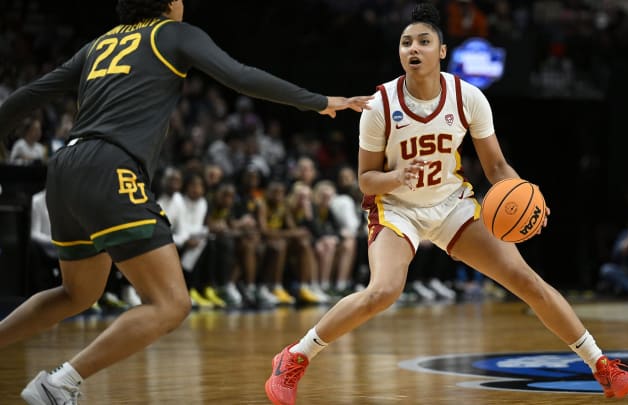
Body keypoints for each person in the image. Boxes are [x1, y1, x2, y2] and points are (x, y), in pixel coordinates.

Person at [265, 4, 628, 405]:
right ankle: (294, 357)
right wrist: (395, 178)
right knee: (384, 291)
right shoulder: (379, 106)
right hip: (396, 208)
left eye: (424, 42)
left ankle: (602, 366)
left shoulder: (468, 98)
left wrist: (526, 193)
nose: (414, 48)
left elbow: (496, 166)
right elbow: (365, 179)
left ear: (441, 51)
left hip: (450, 203)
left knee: (526, 280)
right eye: (406, 42)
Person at [0, 1, 371, 403]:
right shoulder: (171, 34)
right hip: (110, 166)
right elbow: (240, 76)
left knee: (77, 294)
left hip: (64, 167)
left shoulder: (99, 44)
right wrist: (318, 101)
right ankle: (60, 384)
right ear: (170, 2)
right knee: (171, 304)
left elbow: (29, 94)